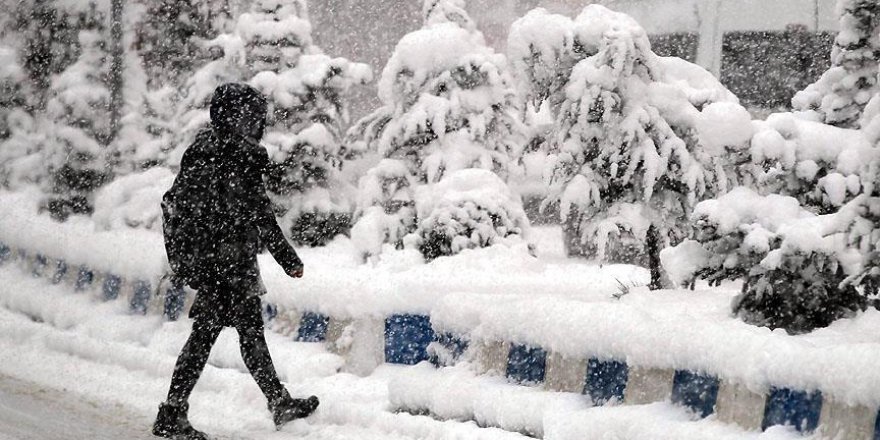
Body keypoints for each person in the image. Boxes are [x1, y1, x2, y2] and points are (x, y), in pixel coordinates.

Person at [153, 83, 319, 440]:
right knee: (214, 336)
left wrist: (197, 256)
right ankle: (173, 411)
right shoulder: (238, 158)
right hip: (228, 265)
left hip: (217, 262)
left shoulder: (203, 151)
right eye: (250, 117)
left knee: (238, 333)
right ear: (233, 118)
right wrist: (288, 259)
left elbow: (193, 207)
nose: (255, 124)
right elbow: (261, 214)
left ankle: (276, 402)